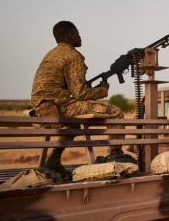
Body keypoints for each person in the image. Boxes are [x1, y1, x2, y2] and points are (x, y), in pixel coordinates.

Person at [30, 21, 125, 178]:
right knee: (116, 112)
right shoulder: (72, 56)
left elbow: (68, 88)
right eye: (78, 33)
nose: (80, 37)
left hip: (42, 106)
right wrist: (102, 90)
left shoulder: (52, 54)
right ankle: (116, 157)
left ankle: (53, 159)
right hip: (58, 106)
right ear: (70, 36)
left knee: (73, 122)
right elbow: (80, 93)